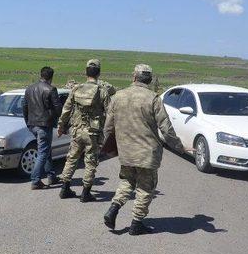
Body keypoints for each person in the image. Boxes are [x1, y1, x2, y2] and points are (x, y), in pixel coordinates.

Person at [102, 64, 187, 235]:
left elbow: (108, 127)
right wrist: (179, 147)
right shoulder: (153, 98)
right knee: (145, 188)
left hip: (126, 152)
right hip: (147, 153)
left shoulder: (118, 96)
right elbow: (166, 129)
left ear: (134, 77)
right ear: (148, 80)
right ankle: (136, 224)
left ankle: (113, 208)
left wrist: (108, 146)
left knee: (126, 182)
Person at [57, 59, 111, 202]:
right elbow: (111, 113)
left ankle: (64, 188)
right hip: (93, 133)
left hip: (77, 130)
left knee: (71, 158)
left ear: (85, 72)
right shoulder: (102, 91)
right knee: (91, 161)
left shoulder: (76, 89)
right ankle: (86, 193)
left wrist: (61, 127)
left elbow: (66, 110)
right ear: (98, 73)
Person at [23, 66, 62, 189]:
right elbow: (58, 109)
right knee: (43, 152)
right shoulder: (51, 89)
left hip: (32, 124)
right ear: (51, 77)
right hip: (44, 125)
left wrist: (28, 122)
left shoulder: (29, 89)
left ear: (41, 75)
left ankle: (51, 176)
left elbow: (24, 106)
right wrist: (55, 118)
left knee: (46, 150)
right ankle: (35, 180)